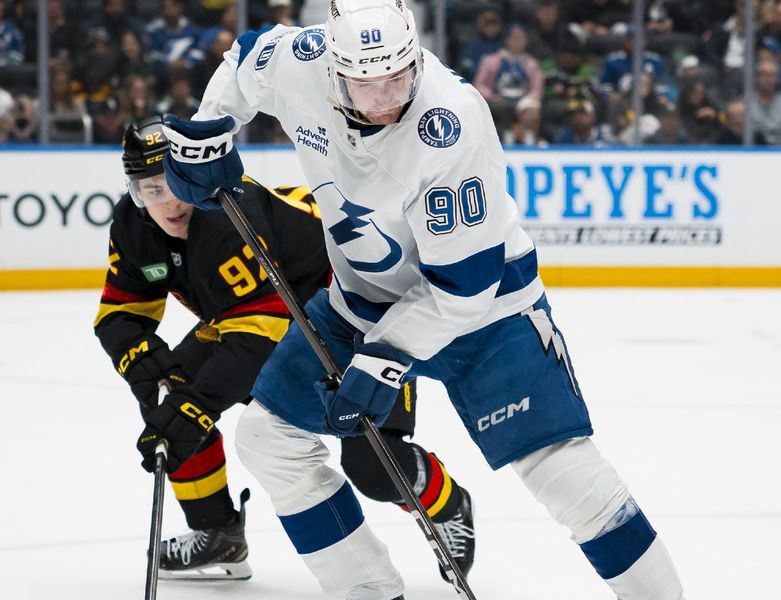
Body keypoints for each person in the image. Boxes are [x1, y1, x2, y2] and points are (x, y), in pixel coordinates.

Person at [159, 1, 687, 598]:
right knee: (267, 438)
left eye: (399, 75)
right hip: (361, 302)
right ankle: (368, 591)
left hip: (489, 314)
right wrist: (210, 130)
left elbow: (464, 289)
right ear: (334, 69)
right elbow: (246, 57)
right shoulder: (303, 62)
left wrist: (385, 358)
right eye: (367, 81)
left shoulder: (452, 122)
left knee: (562, 470)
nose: (386, 96)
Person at [94, 116, 473, 587]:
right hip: (264, 320)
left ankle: (448, 504)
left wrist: (199, 405)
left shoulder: (226, 214)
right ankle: (218, 533)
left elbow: (262, 334)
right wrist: (142, 361)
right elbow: (121, 311)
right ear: (134, 192)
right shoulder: (133, 227)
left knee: (373, 465)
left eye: (172, 183)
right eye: (150, 190)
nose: (166, 202)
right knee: (172, 403)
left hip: (357, 317)